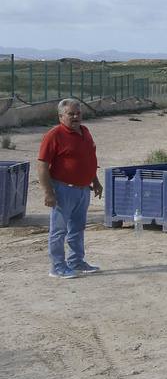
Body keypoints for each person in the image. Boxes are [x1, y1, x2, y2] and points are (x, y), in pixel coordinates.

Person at [36, 99, 103, 279]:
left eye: (78, 113)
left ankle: (76, 261)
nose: (75, 117)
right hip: (63, 190)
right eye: (71, 114)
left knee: (77, 228)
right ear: (60, 116)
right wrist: (48, 192)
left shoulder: (85, 132)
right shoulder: (54, 135)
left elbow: (89, 158)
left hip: (82, 190)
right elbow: (42, 166)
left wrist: (95, 181)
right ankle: (57, 267)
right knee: (59, 230)